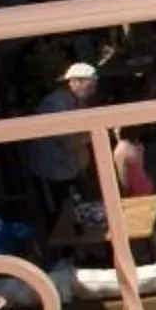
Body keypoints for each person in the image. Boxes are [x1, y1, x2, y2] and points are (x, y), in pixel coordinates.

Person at [27, 61, 100, 213]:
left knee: (80, 211)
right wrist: (96, 134)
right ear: (75, 82)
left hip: (72, 169)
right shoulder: (55, 105)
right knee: (61, 214)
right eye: (90, 87)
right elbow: (69, 141)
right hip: (54, 173)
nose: (93, 92)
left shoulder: (78, 101)